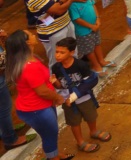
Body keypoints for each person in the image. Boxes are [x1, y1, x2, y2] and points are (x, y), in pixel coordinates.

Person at [6, 30, 77, 160]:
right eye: (31, 35)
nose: (34, 35)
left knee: (49, 134)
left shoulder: (23, 60)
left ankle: (54, 154)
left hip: (36, 107)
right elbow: (42, 91)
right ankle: (53, 157)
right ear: (27, 42)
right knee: (49, 135)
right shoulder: (30, 66)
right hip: (37, 109)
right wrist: (58, 97)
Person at [51, 37, 109, 153]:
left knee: (91, 116)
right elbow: (60, 86)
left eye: (62, 52)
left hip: (84, 98)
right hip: (67, 101)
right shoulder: (56, 68)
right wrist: (55, 82)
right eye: (57, 52)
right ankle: (80, 142)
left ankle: (93, 131)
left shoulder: (81, 65)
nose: (58, 55)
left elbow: (91, 81)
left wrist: (74, 96)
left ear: (71, 52)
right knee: (74, 122)